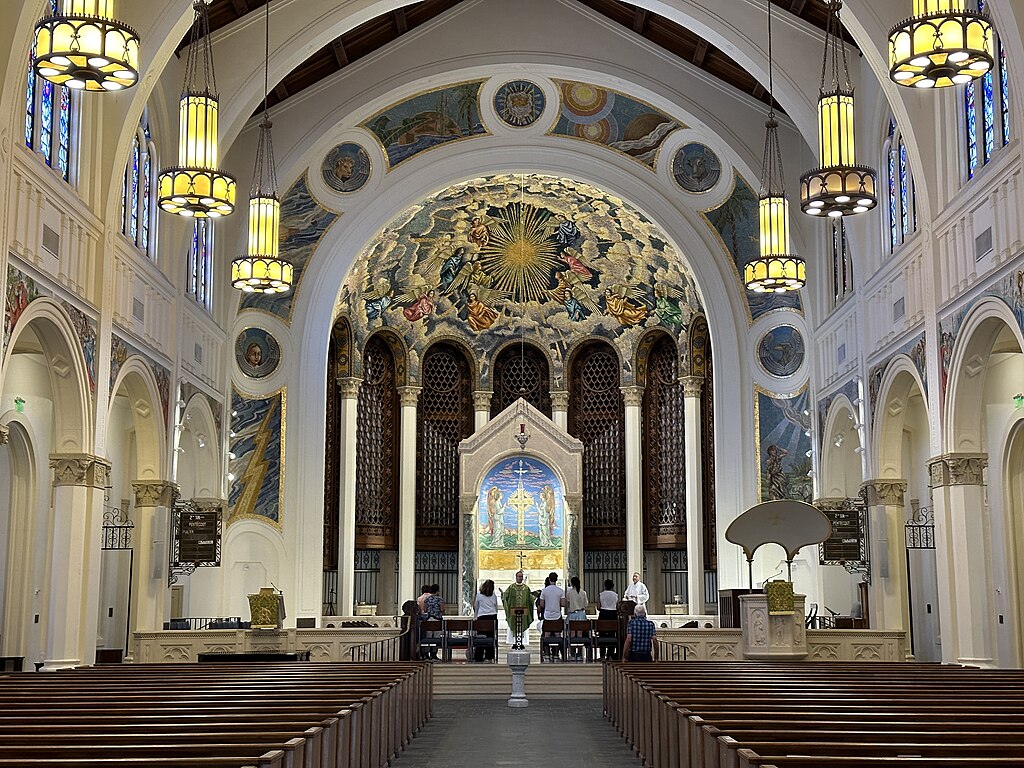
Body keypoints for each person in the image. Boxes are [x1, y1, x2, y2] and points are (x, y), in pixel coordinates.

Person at [539, 572, 566, 661]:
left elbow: (542, 604)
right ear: (556, 579)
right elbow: (563, 604)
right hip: (557, 616)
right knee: (558, 635)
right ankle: (556, 654)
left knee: (546, 636)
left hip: (547, 616)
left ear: (549, 579)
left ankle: (547, 654)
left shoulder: (544, 591)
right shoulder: (560, 591)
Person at [502, 570, 534, 646]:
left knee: (522, 625)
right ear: (516, 577)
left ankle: (522, 642)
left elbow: (530, 598)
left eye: (521, 576)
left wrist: (534, 597)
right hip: (513, 612)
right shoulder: (511, 587)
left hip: (524, 612)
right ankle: (514, 642)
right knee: (514, 625)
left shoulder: (526, 588)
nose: (520, 578)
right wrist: (502, 595)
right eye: (519, 576)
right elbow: (505, 597)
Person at [473, 579, 499, 661]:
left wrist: (476, 616)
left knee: (481, 637)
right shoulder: (493, 595)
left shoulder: (479, 595)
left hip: (482, 616)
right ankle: (489, 656)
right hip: (492, 617)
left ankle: (479, 656)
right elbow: (495, 606)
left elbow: (476, 606)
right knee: (491, 637)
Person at [565, 576, 588, 660]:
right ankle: (579, 654)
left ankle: (572, 653)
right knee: (579, 635)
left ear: (572, 583)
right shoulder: (583, 592)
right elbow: (586, 605)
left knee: (571, 634)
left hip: (572, 614)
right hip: (581, 614)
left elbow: (567, 603)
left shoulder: (569, 593)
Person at [597, 578, 619, 660]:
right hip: (613, 615)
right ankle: (610, 655)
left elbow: (598, 607)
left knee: (602, 634)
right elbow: (617, 607)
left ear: (605, 586)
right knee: (612, 634)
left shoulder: (601, 594)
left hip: (603, 614)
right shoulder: (615, 595)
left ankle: (602, 655)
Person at [422, 584, 444, 660]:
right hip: (437, 620)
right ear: (437, 591)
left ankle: (426, 654)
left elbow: (424, 609)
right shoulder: (439, 599)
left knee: (428, 637)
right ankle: (433, 654)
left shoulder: (427, 599)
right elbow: (442, 609)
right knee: (436, 638)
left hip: (429, 619)